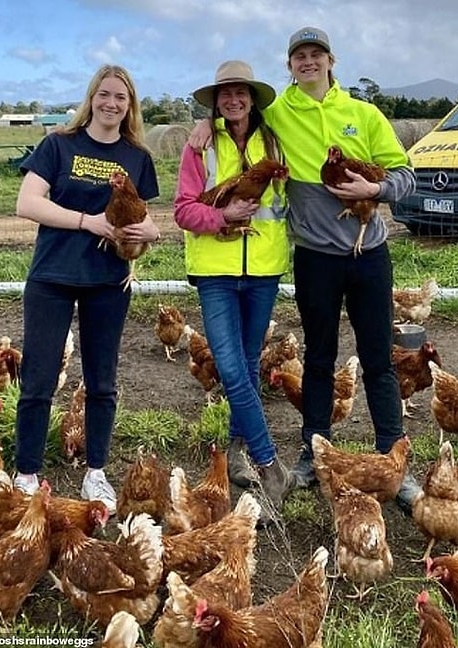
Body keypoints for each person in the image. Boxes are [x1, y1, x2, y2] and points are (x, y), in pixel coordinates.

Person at [189, 28, 419, 514]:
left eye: (316, 54)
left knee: (378, 359)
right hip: (315, 258)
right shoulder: (276, 115)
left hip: (368, 255)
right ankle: (314, 455)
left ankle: (394, 460)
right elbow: (236, 114)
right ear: (289, 65)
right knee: (318, 359)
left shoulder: (364, 114)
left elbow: (404, 174)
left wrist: (374, 192)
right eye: (299, 56)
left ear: (331, 60)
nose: (307, 62)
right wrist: (203, 124)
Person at [13, 64, 160, 515]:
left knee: (102, 382)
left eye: (121, 97)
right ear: (91, 97)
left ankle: (96, 471)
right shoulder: (59, 145)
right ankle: (26, 474)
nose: (111, 103)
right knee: (38, 381)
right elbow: (27, 202)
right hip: (52, 278)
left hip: (107, 282)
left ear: (129, 105)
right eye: (105, 94)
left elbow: (149, 220)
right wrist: (87, 222)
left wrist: (145, 234)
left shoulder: (137, 157)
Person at [175, 60, 294, 520]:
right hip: (216, 270)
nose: (233, 99)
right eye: (225, 93)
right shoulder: (200, 145)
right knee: (228, 366)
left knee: (245, 365)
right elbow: (185, 210)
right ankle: (269, 464)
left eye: (240, 92)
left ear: (252, 98)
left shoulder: (274, 140)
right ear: (216, 102)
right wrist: (222, 218)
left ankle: (236, 455)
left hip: (263, 269)